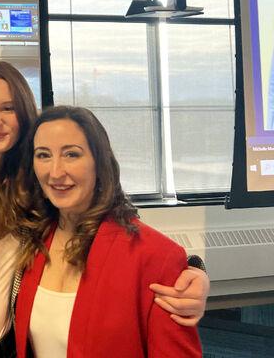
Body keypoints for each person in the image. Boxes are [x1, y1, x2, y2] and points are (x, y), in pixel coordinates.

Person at [0, 62, 209, 358]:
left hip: (15, 348)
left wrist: (191, 270)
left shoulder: (31, 184)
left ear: (24, 116)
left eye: (8, 109)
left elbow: (113, 220)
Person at [13, 106, 202, 357]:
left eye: (71, 154)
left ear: (99, 162)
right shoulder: (30, 240)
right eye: (43, 155)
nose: (56, 172)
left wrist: (196, 270)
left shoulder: (154, 256)